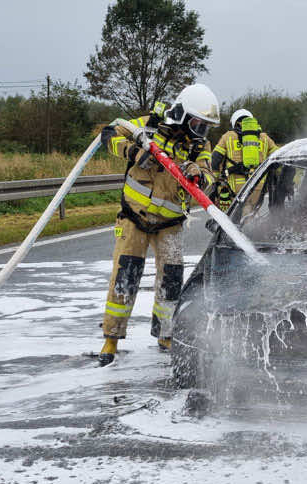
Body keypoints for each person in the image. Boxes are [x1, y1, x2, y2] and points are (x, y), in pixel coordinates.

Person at [96, 83, 220, 366]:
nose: (202, 132)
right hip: (134, 218)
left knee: (172, 281)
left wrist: (197, 174)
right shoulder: (148, 126)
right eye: (199, 124)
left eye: (206, 127)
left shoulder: (200, 146)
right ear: (183, 115)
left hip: (171, 224)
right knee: (125, 276)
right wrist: (133, 152)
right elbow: (108, 134)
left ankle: (165, 335)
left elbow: (210, 179)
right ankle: (111, 339)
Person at [210, 109, 279, 213]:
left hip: (236, 190)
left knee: (232, 220)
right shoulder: (264, 138)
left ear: (234, 122)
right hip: (258, 188)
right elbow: (279, 158)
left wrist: (215, 181)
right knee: (249, 217)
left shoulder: (228, 137)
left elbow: (215, 159)